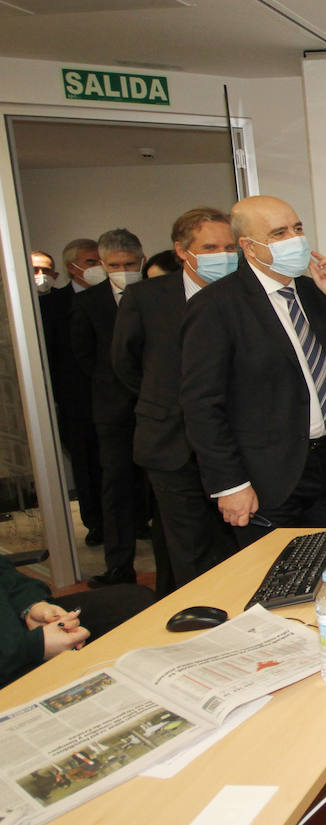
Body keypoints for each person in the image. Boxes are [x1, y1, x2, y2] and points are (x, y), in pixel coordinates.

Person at [180, 196, 326, 548]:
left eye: (297, 228)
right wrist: (231, 485)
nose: (294, 239)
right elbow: (202, 406)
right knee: (280, 587)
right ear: (249, 247)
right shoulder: (215, 307)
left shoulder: (310, 291)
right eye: (279, 233)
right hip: (266, 478)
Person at [112, 208, 238, 589]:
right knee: (189, 550)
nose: (224, 255)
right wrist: (170, 403)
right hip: (171, 444)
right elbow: (125, 364)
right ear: (182, 251)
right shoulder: (145, 298)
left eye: (230, 247)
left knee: (237, 546)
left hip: (233, 444)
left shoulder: (244, 297)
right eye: (211, 247)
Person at [69, 229, 149, 586]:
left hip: (156, 407)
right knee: (115, 485)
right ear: (103, 264)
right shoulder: (88, 303)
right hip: (112, 410)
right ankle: (119, 565)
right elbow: (84, 356)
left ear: (141, 260)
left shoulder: (157, 293)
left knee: (163, 486)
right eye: (114, 264)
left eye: (129, 264)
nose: (122, 270)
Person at [2, 555, 155, 688]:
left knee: (137, 601)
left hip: (15, 623)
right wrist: (33, 647)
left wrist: (31, 604)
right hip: (10, 657)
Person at [41, 240, 104, 547]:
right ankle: (95, 523)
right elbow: (49, 356)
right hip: (75, 400)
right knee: (85, 462)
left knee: (119, 465)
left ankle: (132, 521)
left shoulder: (116, 298)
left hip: (113, 396)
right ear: (72, 267)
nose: (98, 267)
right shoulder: (52, 305)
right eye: (91, 261)